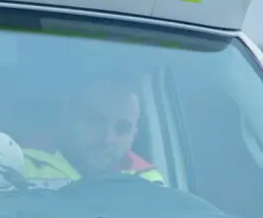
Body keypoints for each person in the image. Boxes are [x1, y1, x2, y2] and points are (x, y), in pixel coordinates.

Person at [20, 76, 166, 186]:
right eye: (95, 121)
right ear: (67, 118)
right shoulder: (19, 166)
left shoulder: (148, 182)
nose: (108, 138)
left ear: (133, 137)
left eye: (122, 128)